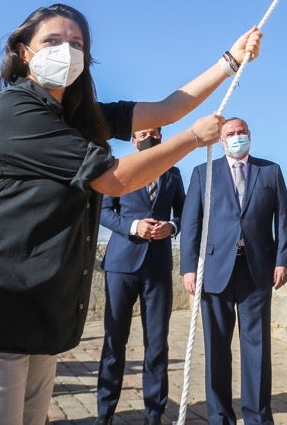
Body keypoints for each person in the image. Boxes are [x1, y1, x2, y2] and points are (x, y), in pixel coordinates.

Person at [0, 3, 261, 425]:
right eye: (53, 41)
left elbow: (168, 108)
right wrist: (192, 139)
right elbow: (112, 178)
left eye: (76, 43)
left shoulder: (76, 119)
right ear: (24, 52)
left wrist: (230, 60)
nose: (66, 50)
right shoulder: (16, 111)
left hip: (30, 321)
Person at [180, 117, 287, 425]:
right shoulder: (203, 173)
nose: (236, 137)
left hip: (257, 269)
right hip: (214, 271)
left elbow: (283, 219)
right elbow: (191, 222)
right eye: (230, 134)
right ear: (221, 140)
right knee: (216, 348)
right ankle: (219, 417)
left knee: (257, 348)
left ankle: (258, 417)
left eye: (241, 132)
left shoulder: (270, 171)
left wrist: (283, 260)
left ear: (250, 136)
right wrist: (189, 268)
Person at [95, 126, 185, 425]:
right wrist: (134, 227)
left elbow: (183, 215)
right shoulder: (118, 169)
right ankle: (105, 413)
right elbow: (105, 212)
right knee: (114, 340)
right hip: (121, 265)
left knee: (157, 343)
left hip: (158, 267)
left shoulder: (173, 173)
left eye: (156, 132)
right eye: (144, 133)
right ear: (133, 141)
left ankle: (154, 414)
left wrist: (170, 228)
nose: (151, 137)